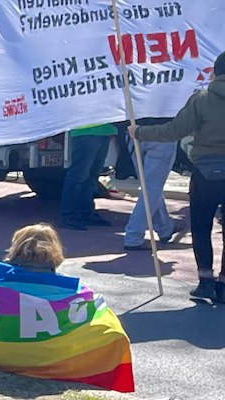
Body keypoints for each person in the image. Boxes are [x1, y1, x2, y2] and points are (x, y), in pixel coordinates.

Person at [0, 224, 134, 391]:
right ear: (54, 251)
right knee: (112, 328)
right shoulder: (71, 289)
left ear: (16, 249)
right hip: (45, 362)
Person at [135, 59, 225, 302]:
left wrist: (139, 133)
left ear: (215, 72)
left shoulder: (202, 99)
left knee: (201, 226)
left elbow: (173, 131)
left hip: (205, 172)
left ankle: (205, 281)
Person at [124, 116, 180, 251]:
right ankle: (134, 236)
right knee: (151, 188)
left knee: (150, 187)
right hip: (162, 132)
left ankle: (164, 227)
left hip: (134, 130)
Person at [60, 124, 115, 230]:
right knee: (78, 175)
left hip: (104, 131)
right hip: (85, 131)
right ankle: (69, 215)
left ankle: (85, 212)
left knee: (91, 176)